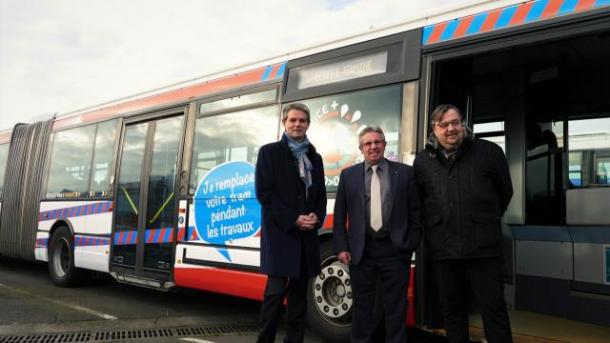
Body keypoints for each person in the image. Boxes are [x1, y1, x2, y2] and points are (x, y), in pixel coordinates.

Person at [413, 104, 513, 343]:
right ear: (434, 129)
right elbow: (419, 201)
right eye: (444, 125)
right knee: (452, 311)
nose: (451, 129)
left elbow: (505, 193)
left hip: (484, 250)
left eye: (455, 122)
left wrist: (481, 218)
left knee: (494, 310)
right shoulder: (422, 161)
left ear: (464, 124)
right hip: (445, 251)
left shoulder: (489, 152)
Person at [333, 126, 422, 343]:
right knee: (363, 306)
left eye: (377, 142)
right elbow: (339, 215)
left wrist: (409, 242)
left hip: (394, 249)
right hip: (361, 251)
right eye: (368, 143)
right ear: (361, 148)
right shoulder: (348, 175)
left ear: (384, 145)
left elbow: (416, 211)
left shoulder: (404, 172)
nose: (373, 147)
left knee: (396, 306)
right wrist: (342, 247)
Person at [255, 103, 327, 343]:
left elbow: (320, 195)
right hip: (281, 236)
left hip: (306, 237)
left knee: (298, 299)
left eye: (302, 120)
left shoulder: (315, 158)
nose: (297, 124)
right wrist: (293, 219)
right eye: (293, 120)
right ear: (284, 123)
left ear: (308, 124)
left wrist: (316, 216)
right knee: (274, 295)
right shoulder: (269, 152)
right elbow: (264, 194)